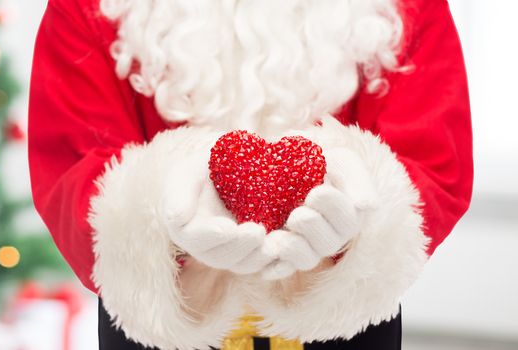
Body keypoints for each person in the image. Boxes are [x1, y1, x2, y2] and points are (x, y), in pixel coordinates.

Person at [27, 0, 473, 348]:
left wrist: (357, 213)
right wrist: (163, 211)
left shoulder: (411, 8)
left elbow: (434, 162)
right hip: (163, 328)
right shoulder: (85, 8)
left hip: (343, 326)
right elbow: (70, 166)